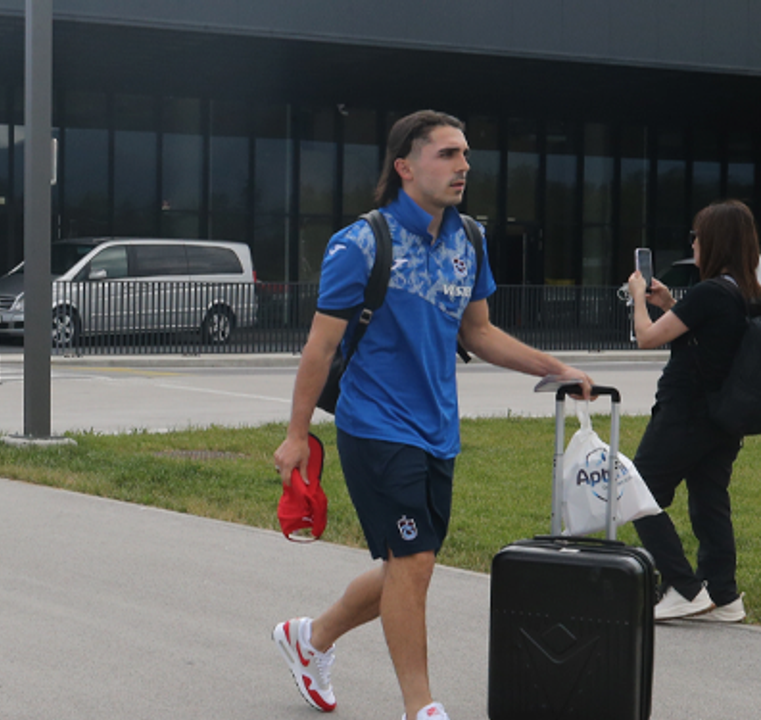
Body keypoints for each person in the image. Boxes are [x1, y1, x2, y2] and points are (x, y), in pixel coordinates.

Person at [270, 110, 595, 720]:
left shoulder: (470, 239)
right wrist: (295, 435)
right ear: (405, 167)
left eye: (465, 154)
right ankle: (420, 708)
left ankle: (309, 639)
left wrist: (555, 368)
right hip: (374, 425)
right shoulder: (360, 243)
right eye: (447, 154)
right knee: (413, 561)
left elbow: (479, 332)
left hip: (438, 429)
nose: (463, 165)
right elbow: (319, 347)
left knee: (409, 567)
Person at [627, 199, 759, 624]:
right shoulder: (745, 294)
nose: (693, 244)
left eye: (697, 236)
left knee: (638, 488)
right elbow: (708, 340)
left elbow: (648, 338)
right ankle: (723, 595)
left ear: (714, 241)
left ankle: (684, 587)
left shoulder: (708, 293)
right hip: (724, 417)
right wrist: (670, 304)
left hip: (685, 413)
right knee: (708, 500)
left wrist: (638, 299)